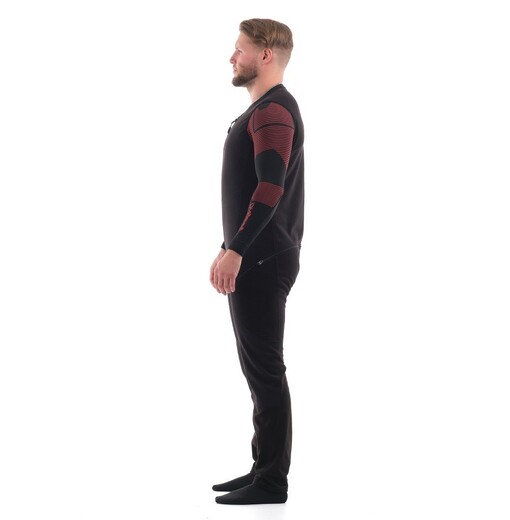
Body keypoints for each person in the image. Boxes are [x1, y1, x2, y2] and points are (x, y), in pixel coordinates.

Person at [209, 18, 305, 505]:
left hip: (263, 260)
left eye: (240, 49)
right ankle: (262, 467)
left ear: (266, 54)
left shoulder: (274, 112)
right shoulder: (264, 110)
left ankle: (271, 481)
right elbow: (253, 189)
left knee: (265, 368)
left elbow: (270, 188)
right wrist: (230, 244)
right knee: (257, 369)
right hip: (257, 256)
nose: (232, 57)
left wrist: (238, 249)